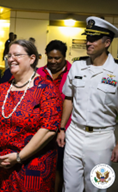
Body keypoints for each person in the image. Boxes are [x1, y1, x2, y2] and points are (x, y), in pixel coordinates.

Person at [0, 40, 62, 191]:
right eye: (9, 55)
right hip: (3, 165)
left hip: (33, 167)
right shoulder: (2, 89)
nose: (11, 59)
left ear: (32, 58)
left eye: (17, 55)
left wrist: (19, 157)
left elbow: (49, 128)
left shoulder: (46, 89)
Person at [59, 16, 118, 192]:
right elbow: (69, 98)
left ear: (107, 42)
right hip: (74, 134)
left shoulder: (116, 72)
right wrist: (62, 128)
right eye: (87, 38)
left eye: (93, 39)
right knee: (70, 187)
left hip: (102, 138)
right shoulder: (77, 66)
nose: (88, 42)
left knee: (97, 187)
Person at [36, 40, 72, 192]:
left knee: (60, 166)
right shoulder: (39, 73)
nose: (53, 61)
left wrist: (62, 128)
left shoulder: (73, 72)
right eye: (50, 57)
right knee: (42, 164)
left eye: (57, 58)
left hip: (67, 128)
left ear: (64, 57)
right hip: (43, 127)